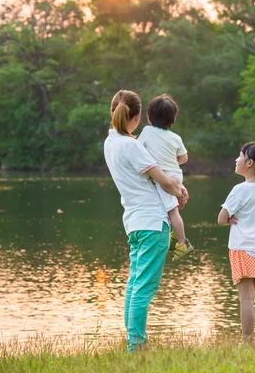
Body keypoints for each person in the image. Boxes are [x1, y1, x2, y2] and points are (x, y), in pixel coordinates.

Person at [104, 89, 188, 353]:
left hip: (134, 222)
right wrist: (180, 192)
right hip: (153, 222)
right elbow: (163, 178)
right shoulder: (131, 145)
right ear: (138, 116)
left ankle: (133, 340)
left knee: (134, 284)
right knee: (144, 288)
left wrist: (174, 190)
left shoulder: (111, 142)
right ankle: (136, 346)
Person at [217, 142, 255, 341]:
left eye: (240, 156)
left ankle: (248, 342)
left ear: (250, 163)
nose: (236, 159)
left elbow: (220, 219)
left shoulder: (240, 189)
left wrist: (229, 219)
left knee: (246, 298)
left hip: (243, 248)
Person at [137, 94, 193, 261]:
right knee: (169, 209)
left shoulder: (147, 131)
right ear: (173, 119)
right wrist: (173, 159)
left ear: (149, 116)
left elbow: (136, 148)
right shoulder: (176, 137)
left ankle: (183, 243)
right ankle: (175, 235)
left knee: (172, 210)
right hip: (176, 174)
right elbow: (184, 158)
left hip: (165, 178)